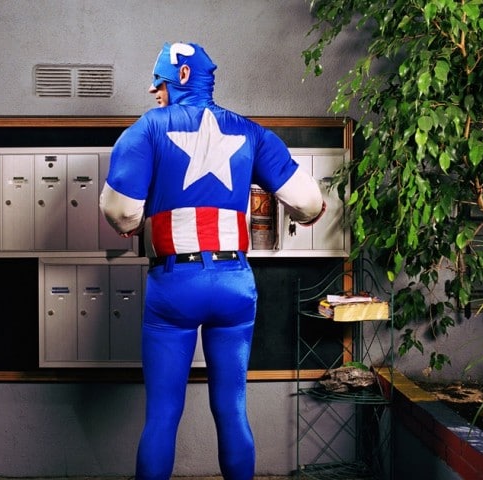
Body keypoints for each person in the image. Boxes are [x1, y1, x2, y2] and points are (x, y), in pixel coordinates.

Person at [99, 41, 325, 480]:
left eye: (159, 81)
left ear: (182, 76)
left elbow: (122, 213)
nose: (154, 91)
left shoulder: (147, 128)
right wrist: (308, 214)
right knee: (233, 409)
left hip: (175, 284)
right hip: (234, 284)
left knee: (162, 415)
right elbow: (308, 203)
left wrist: (135, 222)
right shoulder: (252, 132)